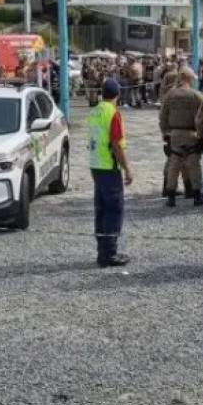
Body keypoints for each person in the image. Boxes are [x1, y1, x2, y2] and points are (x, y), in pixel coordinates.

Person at [88, 79, 134, 267]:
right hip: (109, 166)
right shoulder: (113, 114)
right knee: (114, 210)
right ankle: (110, 253)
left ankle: (102, 251)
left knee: (101, 209)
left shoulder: (94, 111)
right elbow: (116, 144)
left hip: (95, 165)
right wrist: (127, 169)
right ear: (118, 94)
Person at [160, 68, 203, 207]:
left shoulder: (170, 94)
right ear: (188, 78)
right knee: (194, 165)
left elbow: (163, 116)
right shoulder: (195, 95)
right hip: (191, 134)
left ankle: (171, 197)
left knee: (174, 165)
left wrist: (165, 133)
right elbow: (201, 118)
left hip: (174, 134)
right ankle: (196, 196)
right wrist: (201, 136)